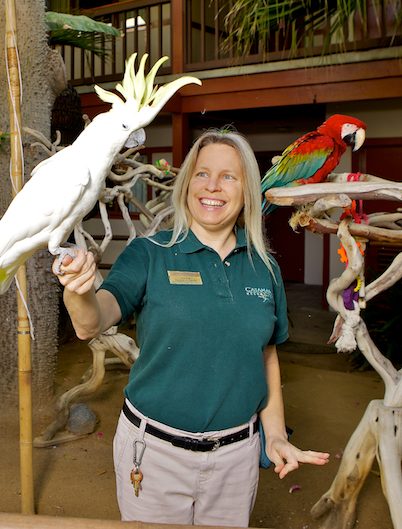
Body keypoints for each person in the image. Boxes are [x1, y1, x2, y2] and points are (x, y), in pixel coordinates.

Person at [56, 129, 329, 527]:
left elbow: (266, 355)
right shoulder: (150, 254)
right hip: (154, 455)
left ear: (248, 191)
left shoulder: (264, 267)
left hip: (236, 459)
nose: (213, 186)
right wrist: (78, 292)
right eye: (202, 174)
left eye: (228, 176)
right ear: (187, 186)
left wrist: (275, 436)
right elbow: (93, 321)